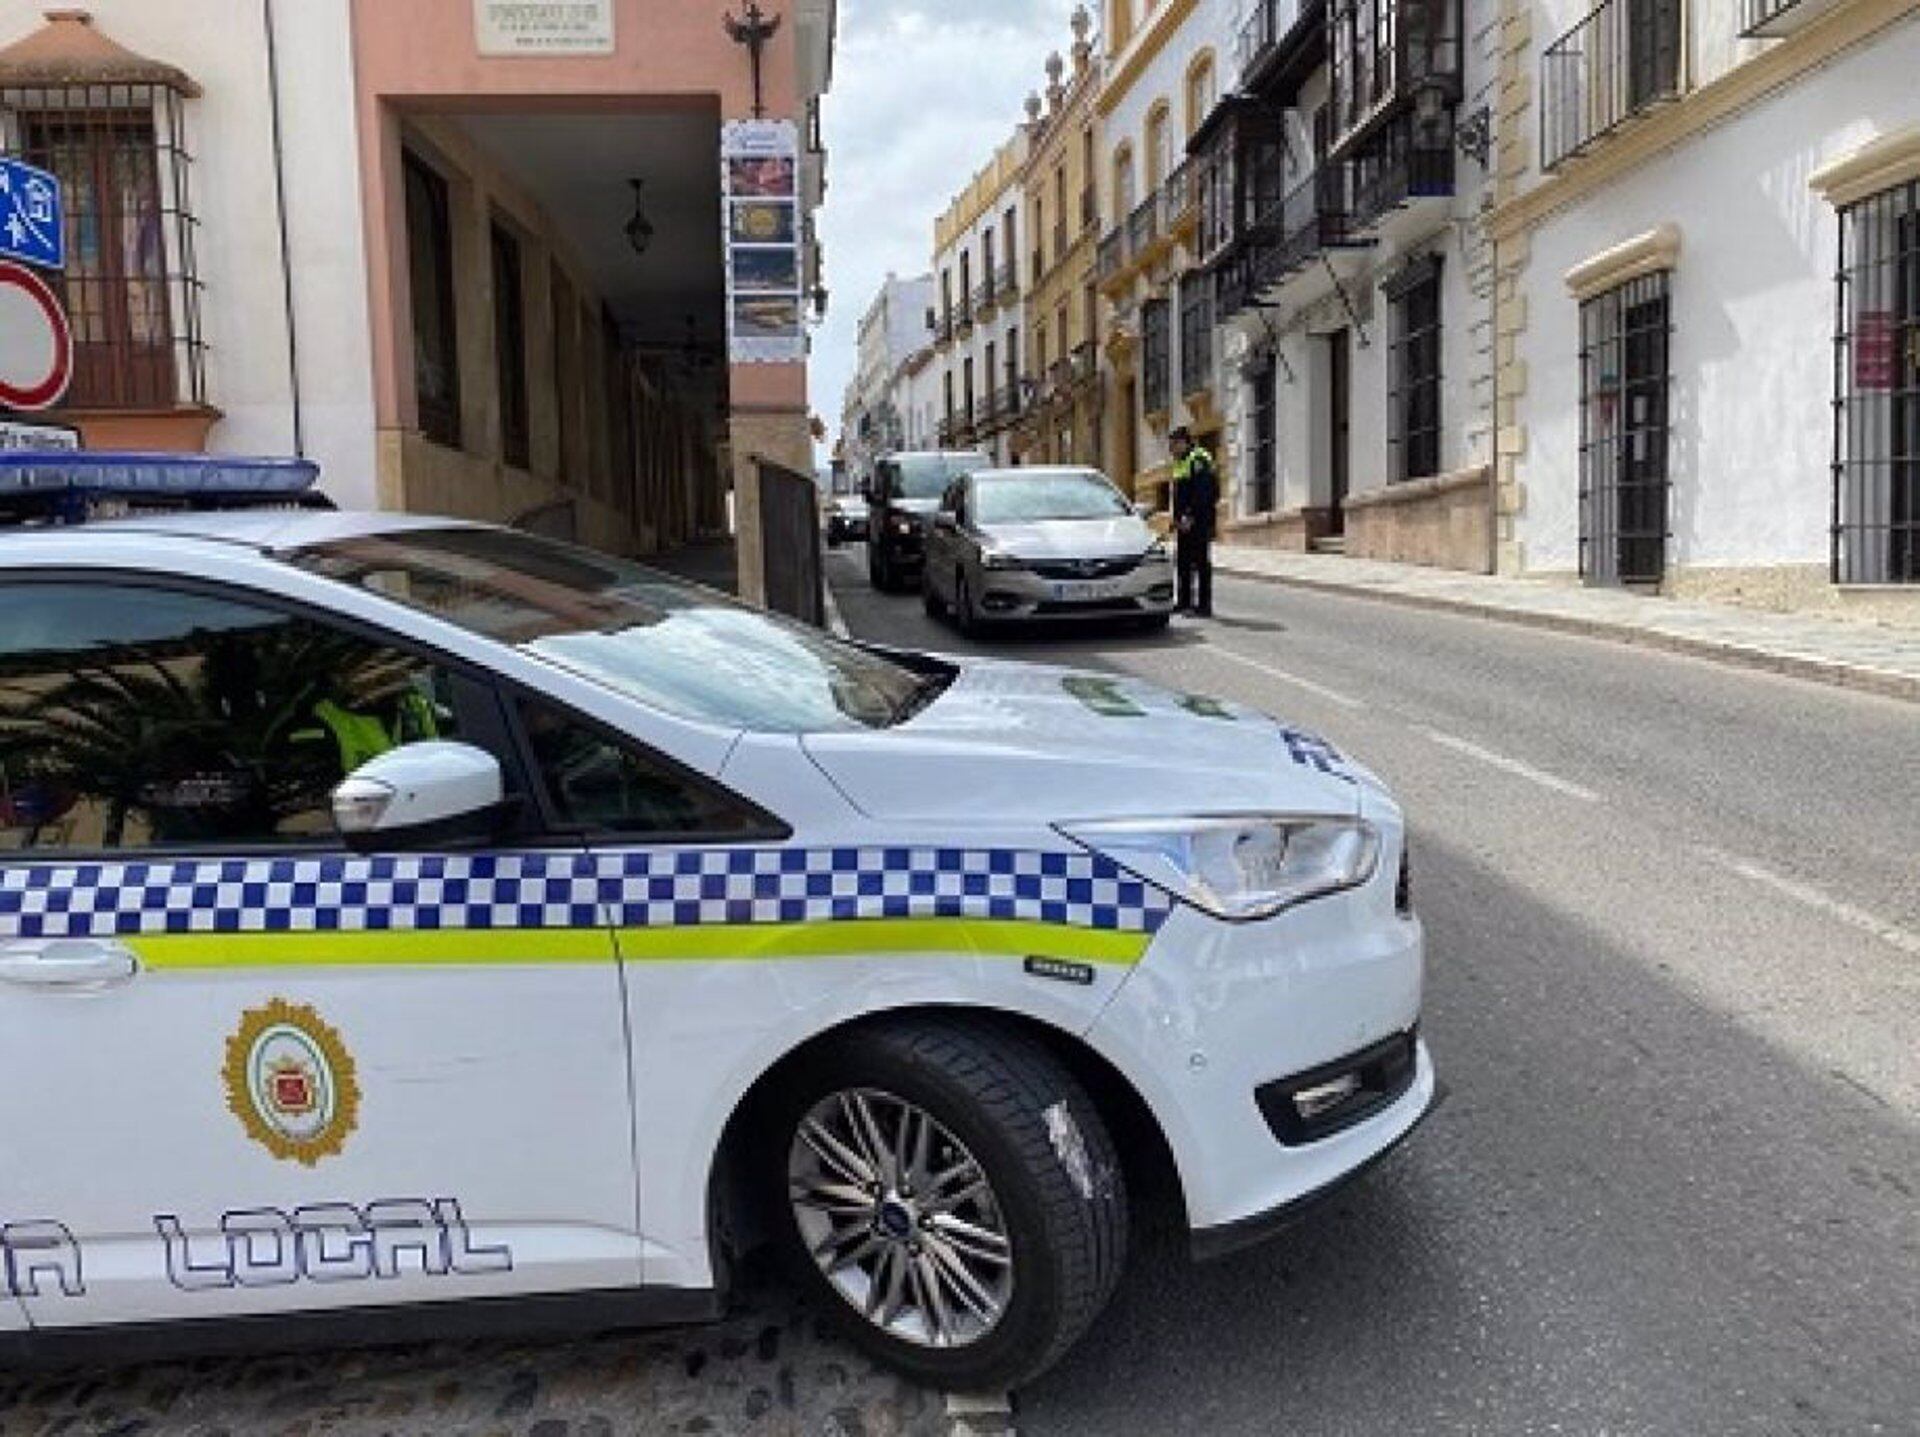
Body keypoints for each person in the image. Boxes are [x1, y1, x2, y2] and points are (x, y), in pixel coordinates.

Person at [1169, 426, 1217, 617]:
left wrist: (1190, 516)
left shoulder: (1198, 460)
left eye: (1174, 444)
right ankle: (1184, 601)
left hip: (1198, 521)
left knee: (1200, 562)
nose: (1171, 449)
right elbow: (1180, 494)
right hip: (1184, 522)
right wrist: (1176, 518)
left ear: (1184, 442)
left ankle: (1204, 605)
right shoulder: (1181, 461)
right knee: (1183, 562)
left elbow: (1202, 494)